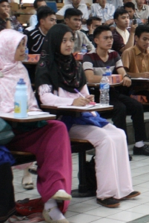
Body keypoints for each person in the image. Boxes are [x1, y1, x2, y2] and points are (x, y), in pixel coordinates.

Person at [36, 24, 138, 208]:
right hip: (63, 120)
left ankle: (123, 188)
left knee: (119, 134)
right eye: (64, 40)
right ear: (54, 42)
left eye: (71, 40)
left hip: (83, 115)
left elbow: (82, 91)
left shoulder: (74, 64)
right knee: (105, 139)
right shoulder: (46, 65)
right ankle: (105, 194)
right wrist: (71, 103)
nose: (69, 44)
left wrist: (87, 99)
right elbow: (45, 97)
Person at [0, 30, 73, 223]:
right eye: (19, 46)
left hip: (21, 129)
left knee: (57, 128)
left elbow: (30, 103)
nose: (24, 49)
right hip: (0, 133)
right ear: (6, 47)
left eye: (24, 45)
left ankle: (53, 197)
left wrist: (33, 113)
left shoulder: (20, 70)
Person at [83, 25, 149, 157]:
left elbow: (123, 73)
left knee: (137, 106)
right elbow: (89, 78)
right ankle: (120, 147)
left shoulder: (114, 54)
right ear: (96, 40)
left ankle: (139, 144)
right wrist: (111, 78)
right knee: (120, 109)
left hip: (113, 92)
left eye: (111, 38)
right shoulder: (89, 57)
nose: (109, 41)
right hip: (97, 94)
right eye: (105, 38)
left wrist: (126, 77)